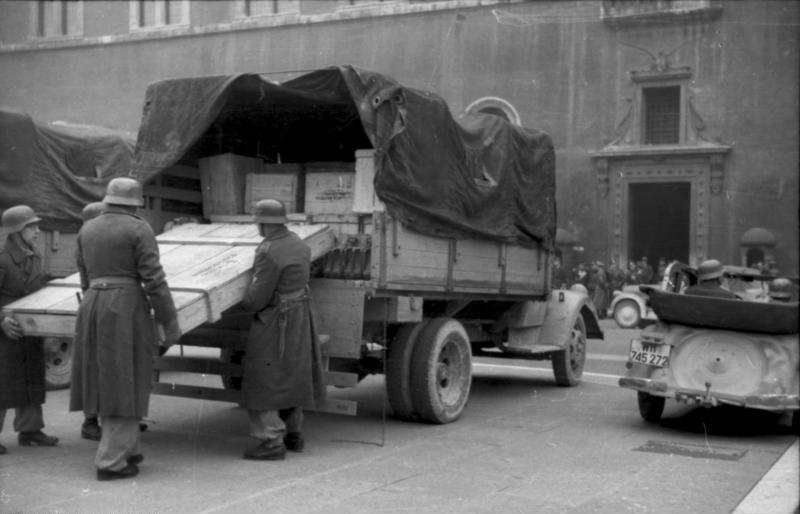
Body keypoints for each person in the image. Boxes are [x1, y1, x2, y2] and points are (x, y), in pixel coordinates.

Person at [70, 178, 181, 481]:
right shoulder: (138, 228)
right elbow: (154, 279)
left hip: (93, 303)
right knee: (125, 377)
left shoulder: (88, 228)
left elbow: (83, 273)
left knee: (108, 376)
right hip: (125, 307)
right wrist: (169, 320)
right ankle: (111, 462)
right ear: (135, 202)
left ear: (108, 199)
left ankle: (128, 450)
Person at [240, 199, 326, 461]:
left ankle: (270, 442)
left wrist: (241, 303)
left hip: (277, 318)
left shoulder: (268, 250)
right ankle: (294, 434)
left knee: (263, 378)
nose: (257, 227)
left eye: (258, 222)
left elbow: (256, 298)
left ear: (264, 223)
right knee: (292, 372)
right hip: (300, 314)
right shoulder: (299, 243)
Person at [0, 205, 60, 455]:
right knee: (3, 381)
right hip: (6, 329)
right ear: (16, 230)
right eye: (32, 226)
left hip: (29, 328)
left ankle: (30, 431)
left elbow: (38, 281)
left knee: (31, 378)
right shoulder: (1, 257)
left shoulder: (34, 254)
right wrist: (1, 319)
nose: (37, 231)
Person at [77, 201, 105, 442]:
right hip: (98, 307)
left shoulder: (86, 240)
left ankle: (105, 421)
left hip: (93, 304)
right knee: (97, 366)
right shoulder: (90, 242)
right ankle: (91, 421)